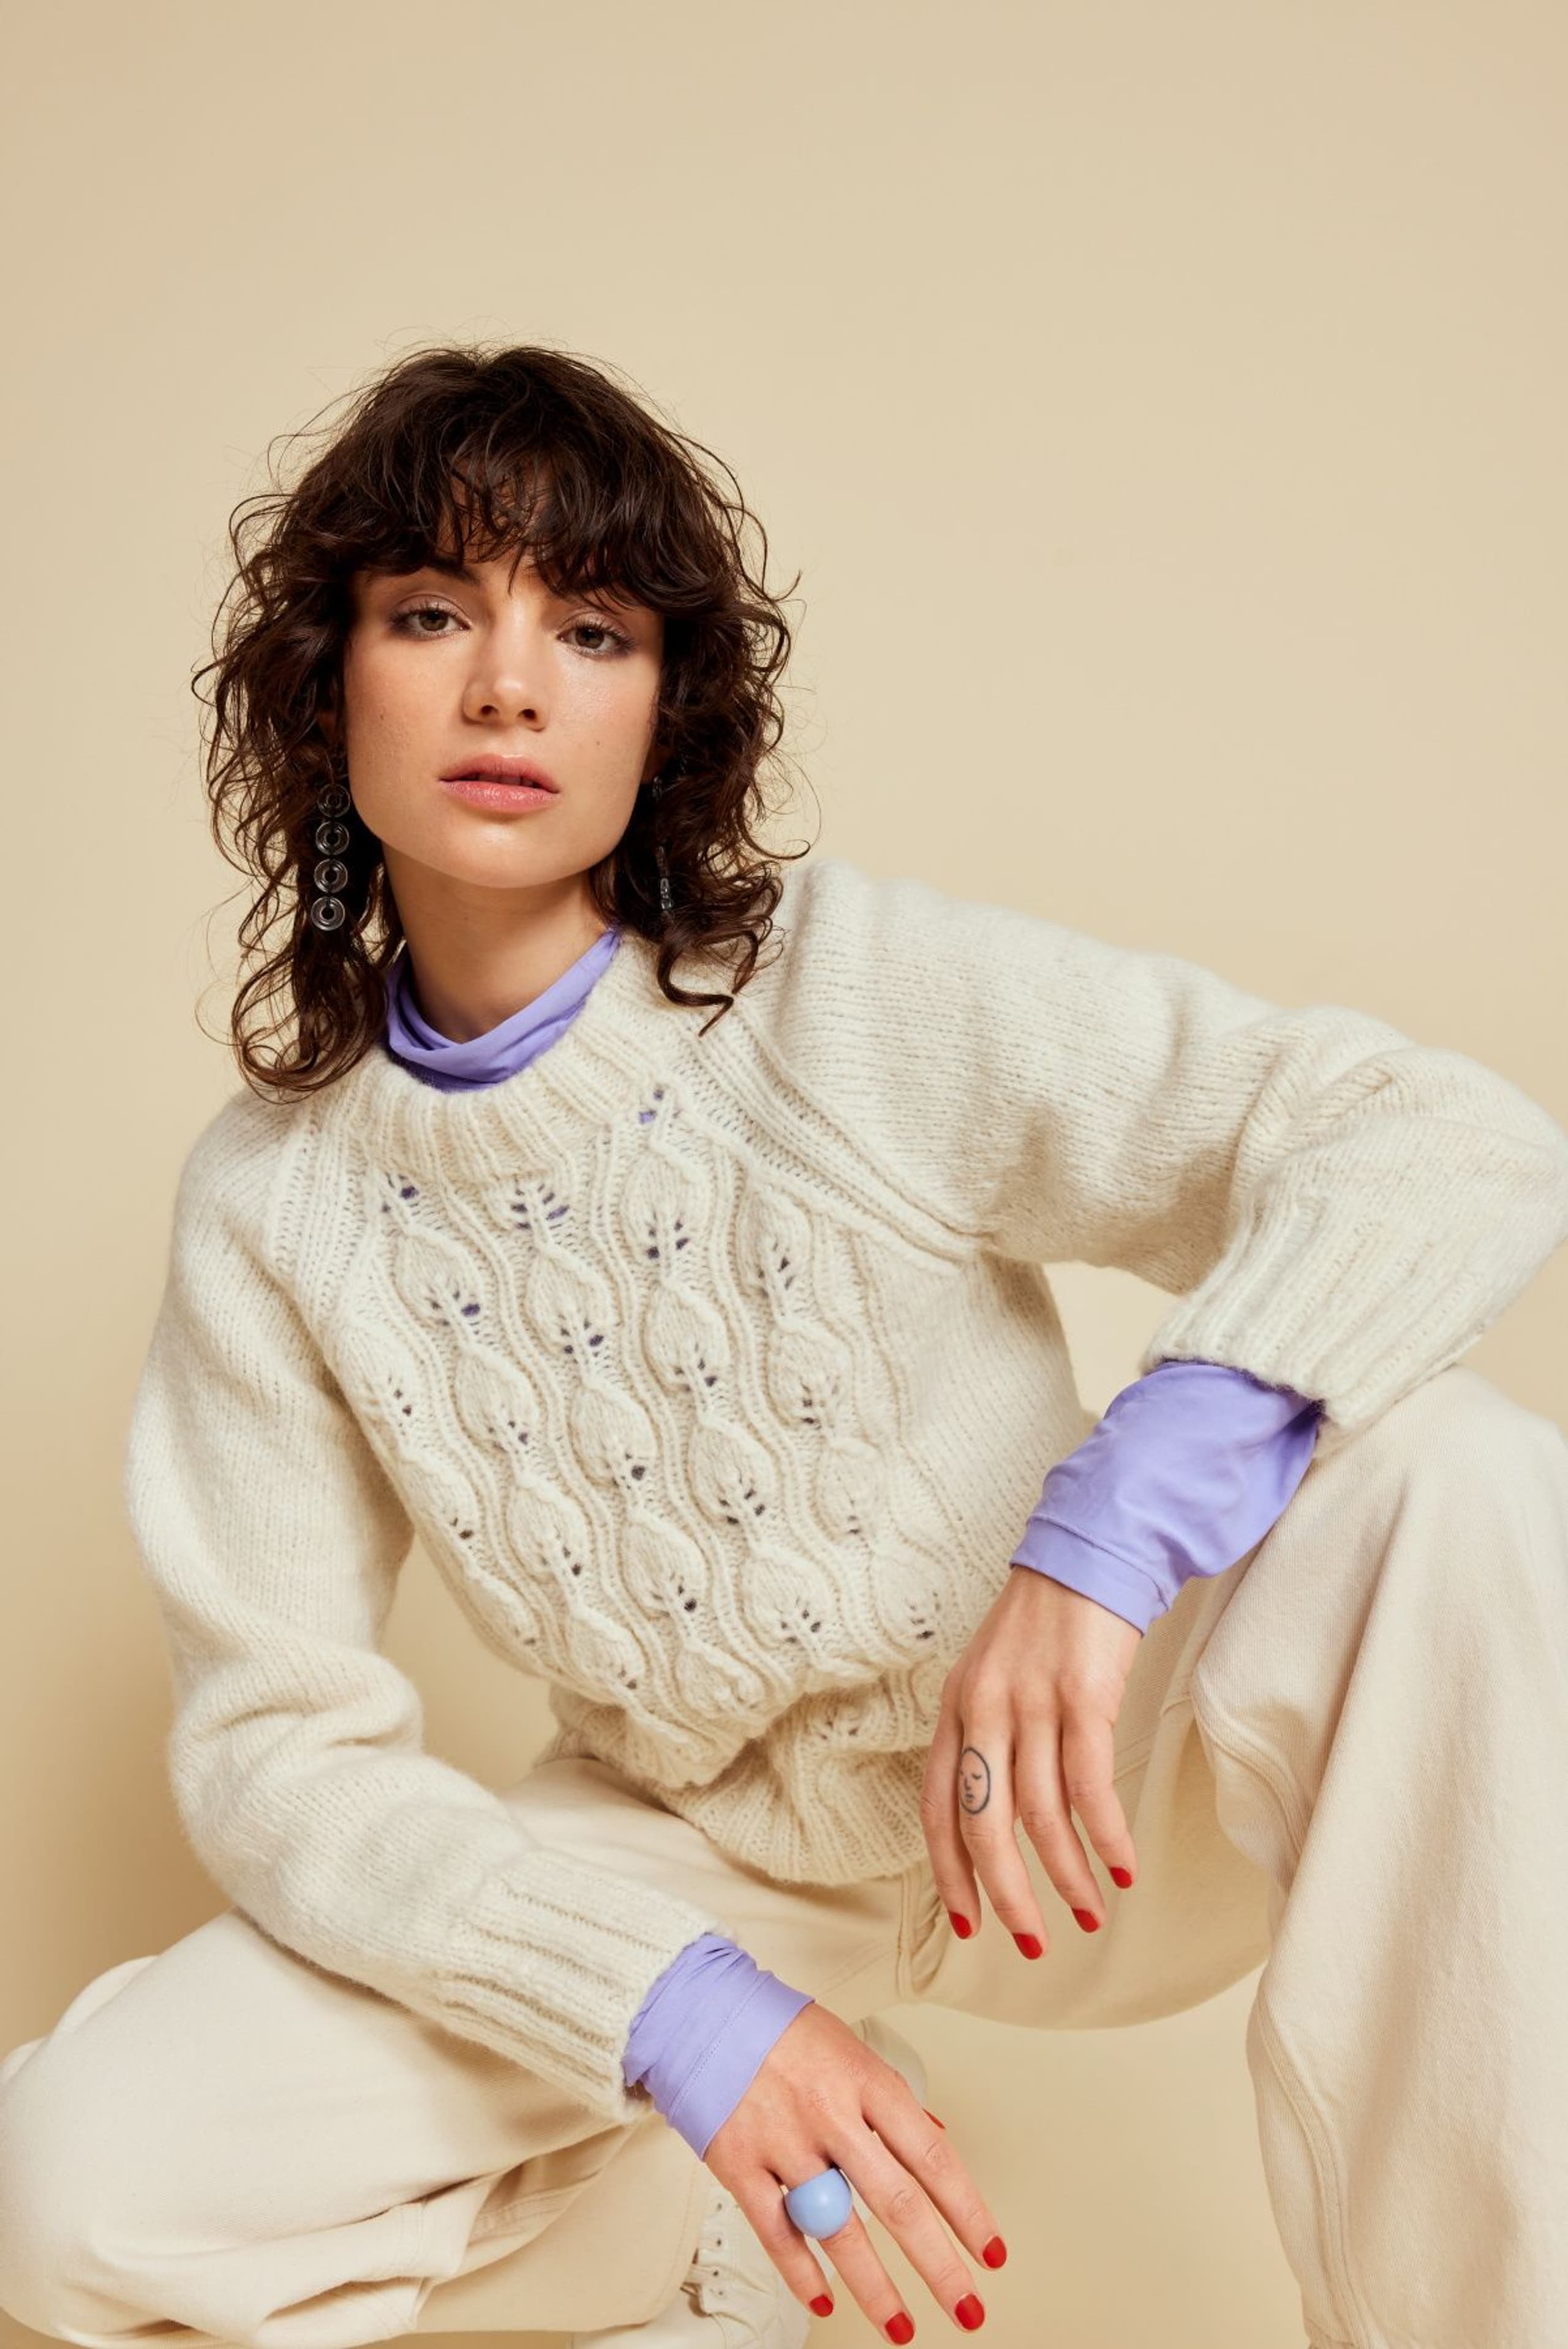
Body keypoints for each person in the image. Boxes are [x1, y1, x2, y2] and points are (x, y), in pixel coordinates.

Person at [2, 341, 1567, 2349]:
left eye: (591, 628)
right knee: (69, 2187)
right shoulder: (270, 1202)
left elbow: (1441, 1136)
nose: (509, 687)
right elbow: (275, 1749)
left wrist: (1105, 1535)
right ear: (329, 687)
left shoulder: (841, 992)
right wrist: (673, 2012)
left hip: (1108, 1777)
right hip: (710, 1862)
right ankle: (679, 2223)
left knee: (1461, 1477)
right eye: (432, 614)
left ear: (664, 710)